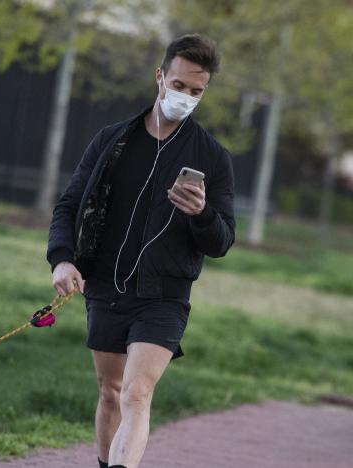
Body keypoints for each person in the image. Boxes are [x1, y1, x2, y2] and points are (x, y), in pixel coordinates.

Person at [46, 34, 235, 468]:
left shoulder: (212, 157)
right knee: (110, 394)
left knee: (136, 392)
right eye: (179, 85)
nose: (185, 97)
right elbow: (69, 205)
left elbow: (222, 241)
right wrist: (62, 258)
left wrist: (202, 213)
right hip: (106, 288)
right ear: (160, 77)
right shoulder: (113, 141)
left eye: (196, 91)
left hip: (164, 296)